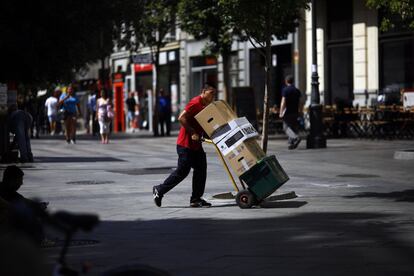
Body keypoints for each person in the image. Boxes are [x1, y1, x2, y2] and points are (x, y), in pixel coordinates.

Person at [152, 83, 216, 208]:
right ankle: (159, 190)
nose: (213, 96)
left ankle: (196, 198)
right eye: (211, 93)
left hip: (196, 145)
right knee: (182, 171)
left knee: (201, 169)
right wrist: (192, 132)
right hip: (185, 145)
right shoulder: (195, 102)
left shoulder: (206, 105)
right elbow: (181, 118)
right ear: (203, 91)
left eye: (214, 93)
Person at [0, 165, 47, 245]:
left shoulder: (9, 191)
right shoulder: (3, 190)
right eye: (20, 180)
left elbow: (22, 200)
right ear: (12, 180)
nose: (21, 183)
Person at [280, 75, 302, 150]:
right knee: (292, 127)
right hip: (295, 112)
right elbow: (300, 103)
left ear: (286, 81)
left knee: (285, 127)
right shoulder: (297, 90)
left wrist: (281, 112)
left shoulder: (285, 90)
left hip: (287, 112)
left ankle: (296, 137)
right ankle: (291, 144)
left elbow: (283, 102)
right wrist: (300, 111)